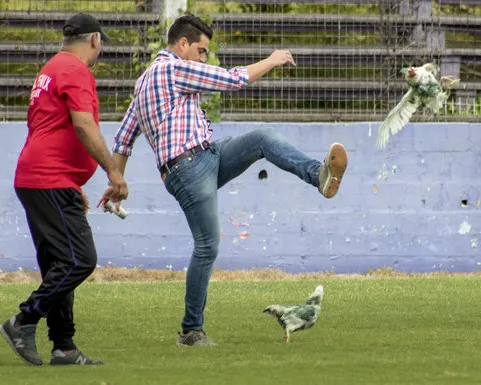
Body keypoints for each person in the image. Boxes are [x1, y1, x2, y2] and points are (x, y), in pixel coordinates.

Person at [109, 14, 348, 346]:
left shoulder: (144, 82)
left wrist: (117, 183)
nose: (204, 57)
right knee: (207, 246)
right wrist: (273, 59)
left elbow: (123, 140)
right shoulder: (172, 68)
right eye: (202, 50)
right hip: (187, 168)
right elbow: (233, 79)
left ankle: (319, 177)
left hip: (207, 155)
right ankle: (191, 331)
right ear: (182, 45)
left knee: (262, 138)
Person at [0, 13, 128, 366]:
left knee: (59, 264)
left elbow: (47, 127)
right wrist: (113, 172)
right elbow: (84, 125)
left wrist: (73, 180)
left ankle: (64, 347)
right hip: (48, 178)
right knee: (79, 260)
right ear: (94, 41)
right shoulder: (74, 70)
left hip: (41, 178)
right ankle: (23, 320)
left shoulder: (51, 68)